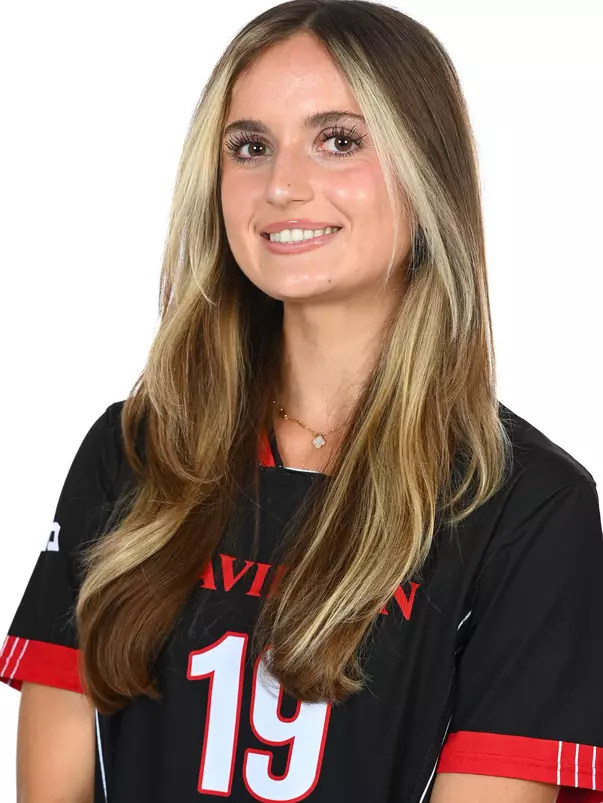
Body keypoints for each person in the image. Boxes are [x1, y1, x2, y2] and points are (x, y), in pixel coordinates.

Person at [2, 1, 602, 801]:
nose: (282, 185)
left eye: (339, 140)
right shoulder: (135, 451)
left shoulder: (524, 505)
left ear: (426, 171)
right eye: (249, 147)